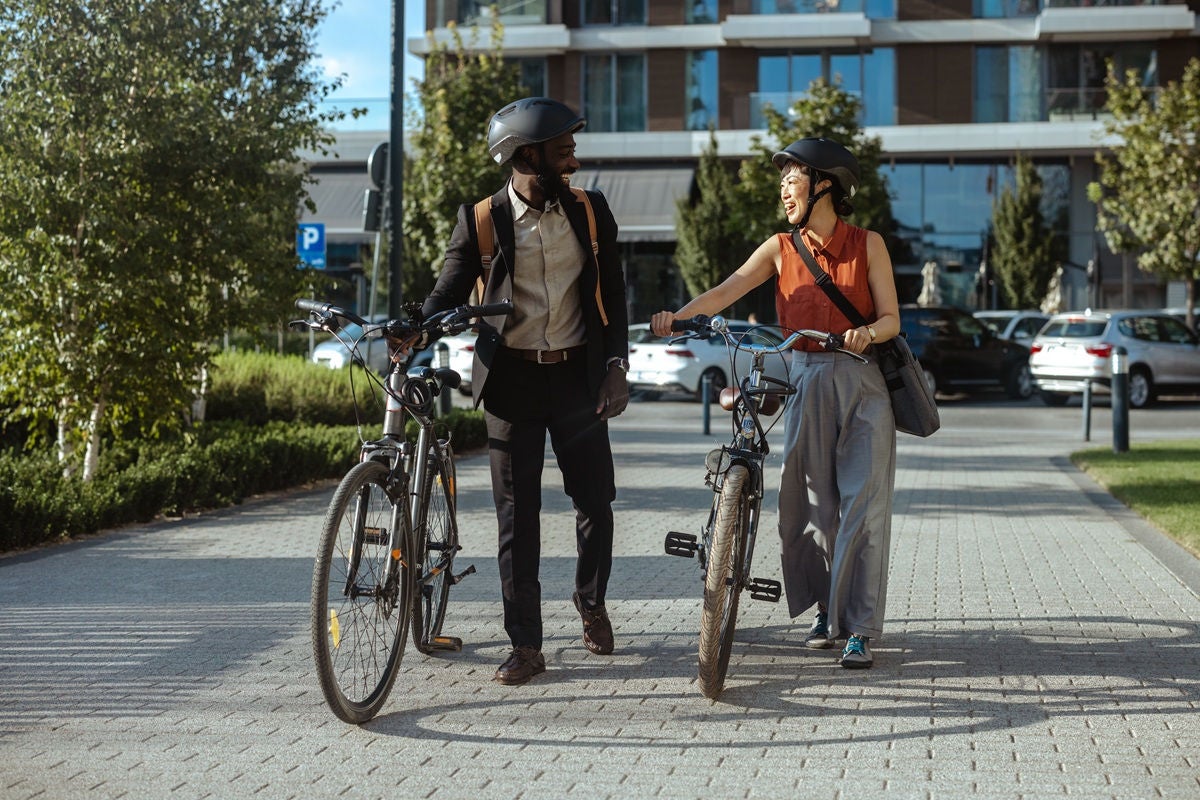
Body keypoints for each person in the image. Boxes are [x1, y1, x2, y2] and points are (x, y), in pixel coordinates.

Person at [650, 138, 899, 669]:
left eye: (793, 180)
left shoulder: (867, 244)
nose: (784, 191)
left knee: (862, 508)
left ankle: (857, 628)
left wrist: (866, 333)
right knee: (808, 510)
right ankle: (823, 612)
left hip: (862, 383)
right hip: (805, 378)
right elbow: (727, 288)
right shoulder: (780, 248)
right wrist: (680, 316)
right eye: (782, 182)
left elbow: (891, 319)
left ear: (825, 184)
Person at [421, 97, 630, 686]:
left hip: (575, 378)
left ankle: (591, 603)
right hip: (510, 381)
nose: (574, 156)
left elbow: (613, 294)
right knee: (518, 518)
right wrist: (416, 326)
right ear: (525, 154)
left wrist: (616, 363)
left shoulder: (591, 213)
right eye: (562, 147)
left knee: (595, 502)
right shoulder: (482, 219)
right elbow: (446, 291)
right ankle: (527, 645)